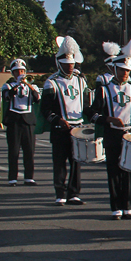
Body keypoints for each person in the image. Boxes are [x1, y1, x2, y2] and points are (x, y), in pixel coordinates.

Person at [91, 38, 131, 219]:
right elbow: (92, 114)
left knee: (129, 170)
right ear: (115, 69)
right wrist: (108, 119)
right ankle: (116, 206)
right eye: (121, 70)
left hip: (130, 135)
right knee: (113, 171)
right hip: (112, 134)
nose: (125, 74)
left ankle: (128, 205)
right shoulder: (104, 90)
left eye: (127, 71)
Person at [41, 36, 88, 205]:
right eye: (66, 64)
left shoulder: (80, 81)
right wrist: (57, 120)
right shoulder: (51, 83)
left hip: (77, 128)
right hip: (60, 130)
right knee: (60, 162)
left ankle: (73, 193)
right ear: (59, 64)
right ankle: (60, 193)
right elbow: (45, 110)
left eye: (72, 64)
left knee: (76, 162)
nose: (70, 67)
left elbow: (86, 104)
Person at [1, 58, 40, 185]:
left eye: (22, 71)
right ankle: (12, 177)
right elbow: (7, 96)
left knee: (29, 151)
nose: (20, 73)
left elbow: (37, 99)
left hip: (28, 121)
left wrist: (28, 85)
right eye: (17, 71)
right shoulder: (7, 86)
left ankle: (29, 177)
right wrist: (17, 84)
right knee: (13, 151)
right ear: (13, 73)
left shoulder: (33, 86)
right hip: (14, 121)